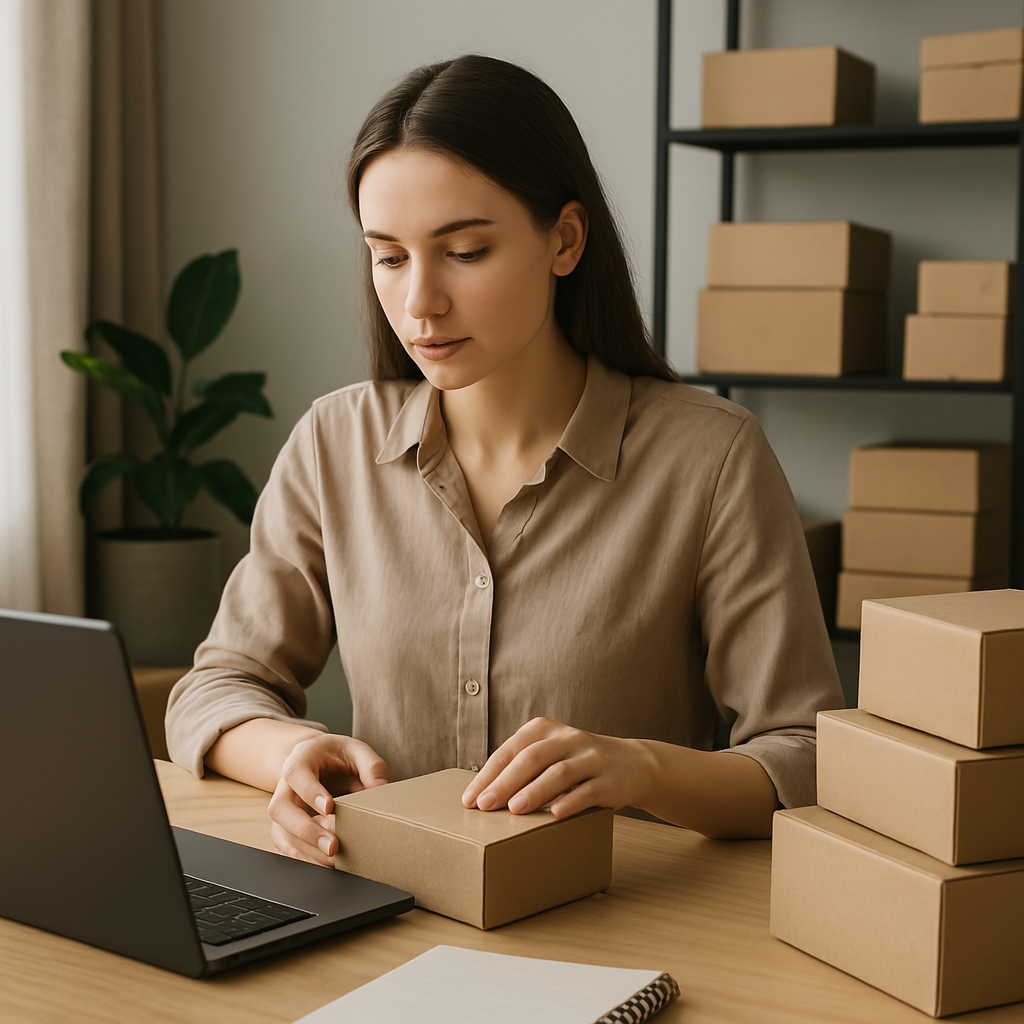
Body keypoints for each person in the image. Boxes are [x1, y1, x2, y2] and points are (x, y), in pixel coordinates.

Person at [165, 54, 843, 867]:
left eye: (466, 251)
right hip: (386, 910)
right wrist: (287, 757)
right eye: (389, 256)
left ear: (564, 240)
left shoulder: (712, 458)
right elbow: (214, 689)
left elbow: (800, 755)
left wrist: (643, 768)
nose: (420, 302)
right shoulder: (332, 442)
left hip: (623, 928)